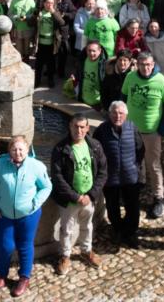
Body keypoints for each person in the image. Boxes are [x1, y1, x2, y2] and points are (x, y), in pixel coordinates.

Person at [0, 135, 52, 297]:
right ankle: (2, 274)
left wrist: (34, 203)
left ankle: (24, 277)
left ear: (27, 150)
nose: (17, 153)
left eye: (21, 149)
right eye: (14, 149)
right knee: (5, 246)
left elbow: (46, 187)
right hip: (4, 215)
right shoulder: (0, 164)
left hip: (28, 215)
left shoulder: (36, 166)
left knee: (25, 245)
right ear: (9, 150)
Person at [121, 51, 164, 219]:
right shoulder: (130, 77)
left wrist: (162, 129)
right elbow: (123, 98)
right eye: (142, 64)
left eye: (148, 65)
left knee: (153, 165)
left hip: (152, 131)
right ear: (137, 64)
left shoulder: (163, 82)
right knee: (134, 162)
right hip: (131, 129)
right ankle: (139, 184)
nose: (145, 68)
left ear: (153, 65)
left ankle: (158, 197)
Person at [50, 113, 106, 276]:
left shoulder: (95, 146)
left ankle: (86, 251)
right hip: (69, 200)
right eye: (76, 126)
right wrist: (75, 197)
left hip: (89, 198)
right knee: (66, 229)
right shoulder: (61, 149)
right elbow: (57, 176)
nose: (79, 130)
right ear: (70, 126)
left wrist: (91, 195)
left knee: (87, 226)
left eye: (82, 127)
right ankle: (65, 256)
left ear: (87, 128)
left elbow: (103, 172)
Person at [93, 101, 144, 247]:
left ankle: (130, 232)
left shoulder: (132, 127)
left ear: (126, 114)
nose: (117, 116)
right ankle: (117, 230)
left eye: (121, 113)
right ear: (109, 114)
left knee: (133, 207)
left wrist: (138, 171)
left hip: (130, 177)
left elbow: (140, 150)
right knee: (112, 206)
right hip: (110, 178)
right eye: (114, 112)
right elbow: (96, 152)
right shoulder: (102, 130)